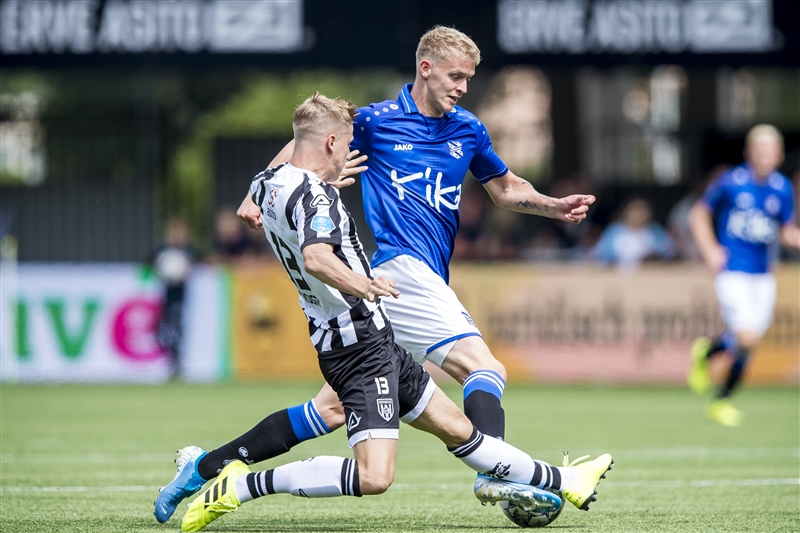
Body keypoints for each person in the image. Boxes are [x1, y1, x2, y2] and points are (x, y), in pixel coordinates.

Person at [154, 26, 604, 524]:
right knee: (484, 367)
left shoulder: (468, 129)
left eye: (469, 79)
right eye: (455, 76)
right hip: (401, 269)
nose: (462, 87)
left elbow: (503, 186)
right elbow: (305, 143)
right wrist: (256, 193)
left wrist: (551, 205)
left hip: (390, 287)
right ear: (425, 68)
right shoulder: (376, 121)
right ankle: (494, 471)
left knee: (328, 411)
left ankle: (203, 467)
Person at [687, 124, 800, 426]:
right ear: (749, 152)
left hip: (763, 276)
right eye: (759, 149)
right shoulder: (731, 182)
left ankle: (707, 352)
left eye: (770, 150)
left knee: (745, 340)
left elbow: (787, 233)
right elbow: (698, 214)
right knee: (747, 339)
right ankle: (721, 401)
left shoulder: (782, 188)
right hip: (733, 271)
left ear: (778, 155)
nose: (764, 155)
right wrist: (710, 249)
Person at [152, 217, 196, 379]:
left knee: (177, 330)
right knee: (162, 331)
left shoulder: (189, 250)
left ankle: (176, 362)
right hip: (166, 297)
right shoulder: (161, 249)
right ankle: (172, 360)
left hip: (180, 298)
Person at [590, 196, 676, 270]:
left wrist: (653, 257)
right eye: (634, 211)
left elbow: (669, 252)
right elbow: (601, 254)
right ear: (626, 212)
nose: (638, 215)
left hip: (650, 274)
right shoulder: (614, 231)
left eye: (642, 211)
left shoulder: (656, 231)